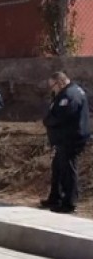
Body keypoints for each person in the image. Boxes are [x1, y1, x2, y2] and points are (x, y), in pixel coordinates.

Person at [41, 71, 90, 214]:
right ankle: (55, 197)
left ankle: (69, 202)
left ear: (60, 82)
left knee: (68, 171)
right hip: (64, 139)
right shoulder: (69, 91)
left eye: (53, 86)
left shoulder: (69, 95)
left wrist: (47, 121)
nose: (52, 90)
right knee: (58, 168)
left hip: (70, 139)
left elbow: (61, 117)